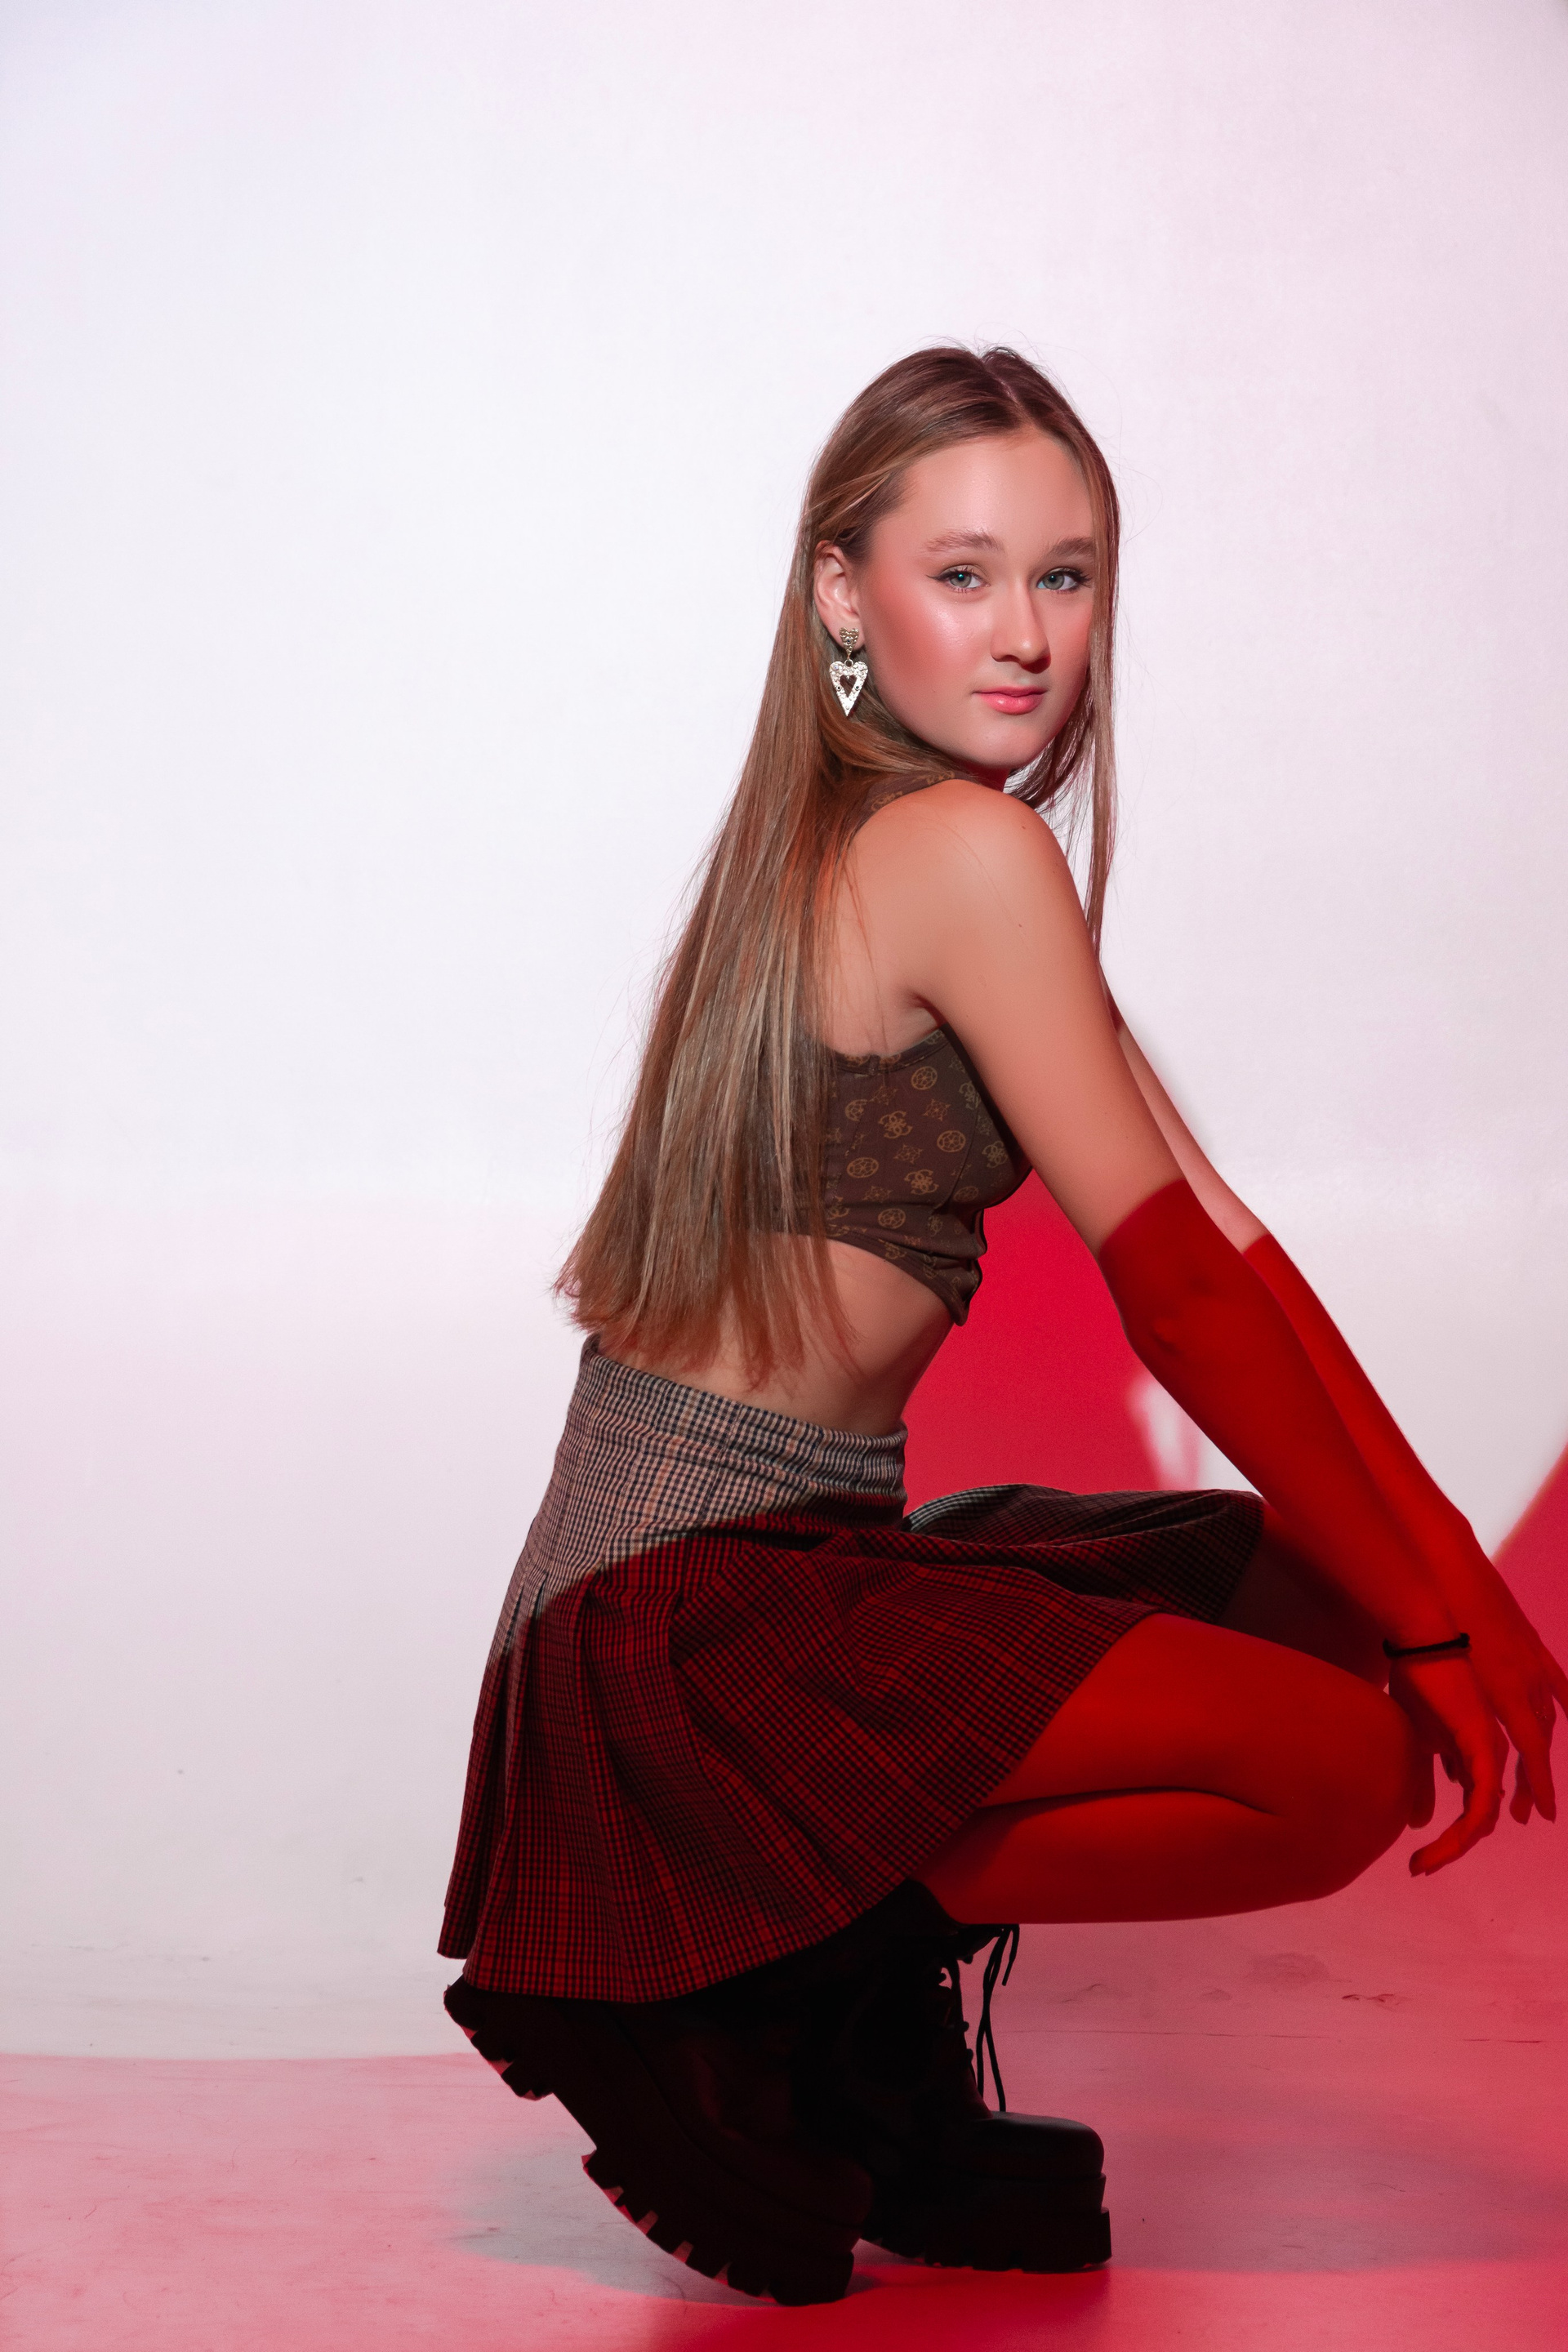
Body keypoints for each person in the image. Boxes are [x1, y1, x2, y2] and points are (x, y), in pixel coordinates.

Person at [439, 346, 1566, 2305]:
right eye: (963, 574)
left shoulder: (903, 843)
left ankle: (829, 2004)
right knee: (1340, 1767)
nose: (1027, 631)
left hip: (756, 1584)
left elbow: (1236, 1252)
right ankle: (777, 1970)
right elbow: (1176, 1294)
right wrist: (1435, 1627)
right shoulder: (956, 852)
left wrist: (1450, 1586)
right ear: (841, 592)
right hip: (688, 1632)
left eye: (1067, 574)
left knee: (1324, 1603)